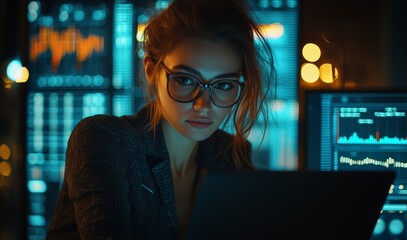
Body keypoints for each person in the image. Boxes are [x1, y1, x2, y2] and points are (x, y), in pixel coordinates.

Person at [46, 0, 276, 239]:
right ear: (150, 70)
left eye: (224, 85)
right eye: (185, 80)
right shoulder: (105, 140)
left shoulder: (229, 157)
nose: (203, 105)